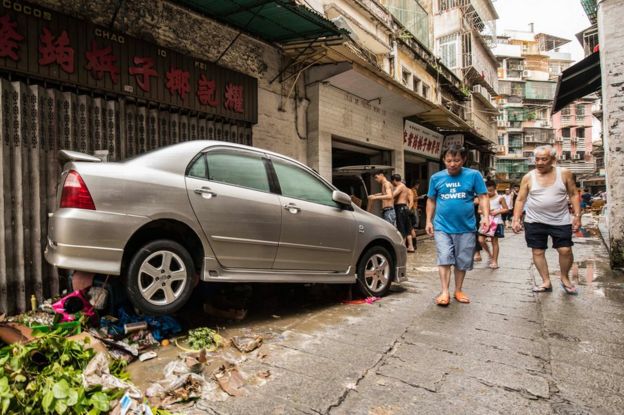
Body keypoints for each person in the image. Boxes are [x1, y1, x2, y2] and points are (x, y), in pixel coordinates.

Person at [426, 145, 490, 306]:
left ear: (463, 160)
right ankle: (444, 291)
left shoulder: (474, 175)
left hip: (466, 227)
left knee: (461, 261)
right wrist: (428, 220)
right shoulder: (436, 178)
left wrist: (485, 216)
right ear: (443, 160)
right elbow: (431, 200)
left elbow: (483, 196)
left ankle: (458, 289)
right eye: (449, 160)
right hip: (442, 226)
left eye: (456, 160)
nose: (452, 164)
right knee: (444, 258)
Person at [512, 145, 581, 294]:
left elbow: (574, 194)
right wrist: (516, 219)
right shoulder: (528, 177)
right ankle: (546, 281)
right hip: (534, 220)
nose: (540, 162)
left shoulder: (564, 173)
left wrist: (577, 215)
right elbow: (520, 199)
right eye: (537, 159)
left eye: (544, 159)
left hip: (560, 220)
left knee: (565, 250)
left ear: (553, 160)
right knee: (537, 251)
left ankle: (564, 277)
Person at [478, 180, 509, 269]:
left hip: (496, 222)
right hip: (484, 222)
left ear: (495, 189)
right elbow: (479, 210)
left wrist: (497, 211)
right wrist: (486, 212)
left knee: (494, 242)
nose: (489, 192)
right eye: (487, 190)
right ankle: (490, 254)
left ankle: (495, 261)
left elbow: (506, 209)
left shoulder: (500, 198)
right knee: (480, 240)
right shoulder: (483, 198)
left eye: (491, 190)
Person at [391, 174, 415, 252]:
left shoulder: (400, 186)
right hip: (404, 208)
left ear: (394, 180)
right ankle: (411, 247)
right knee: (407, 229)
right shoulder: (405, 187)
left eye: (392, 181)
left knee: (401, 228)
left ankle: (403, 248)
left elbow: (393, 195)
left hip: (400, 208)